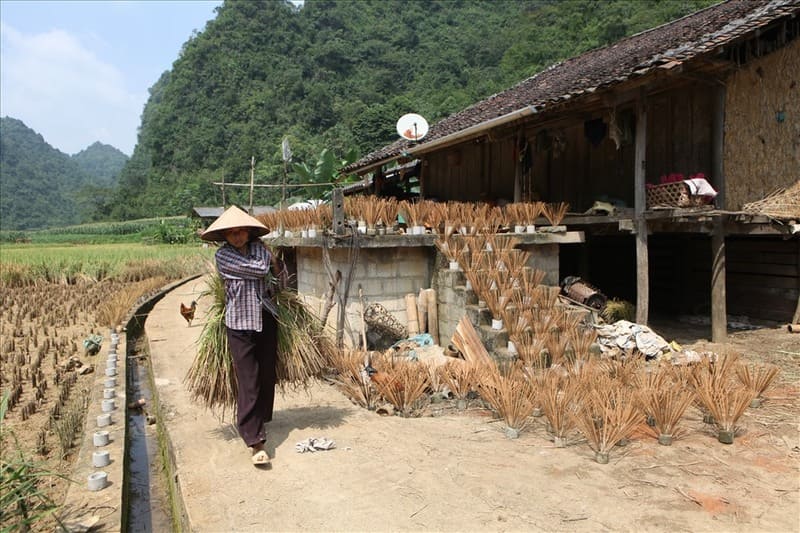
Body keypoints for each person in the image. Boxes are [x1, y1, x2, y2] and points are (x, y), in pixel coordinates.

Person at [201, 206, 283, 466]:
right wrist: (262, 265)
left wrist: (265, 265)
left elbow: (266, 271)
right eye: (231, 233)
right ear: (225, 235)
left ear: (249, 232)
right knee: (248, 379)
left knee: (267, 373)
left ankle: (261, 418)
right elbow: (260, 270)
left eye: (241, 232)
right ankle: (254, 439)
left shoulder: (260, 248)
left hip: (266, 317)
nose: (237, 237)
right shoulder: (223, 256)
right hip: (239, 322)